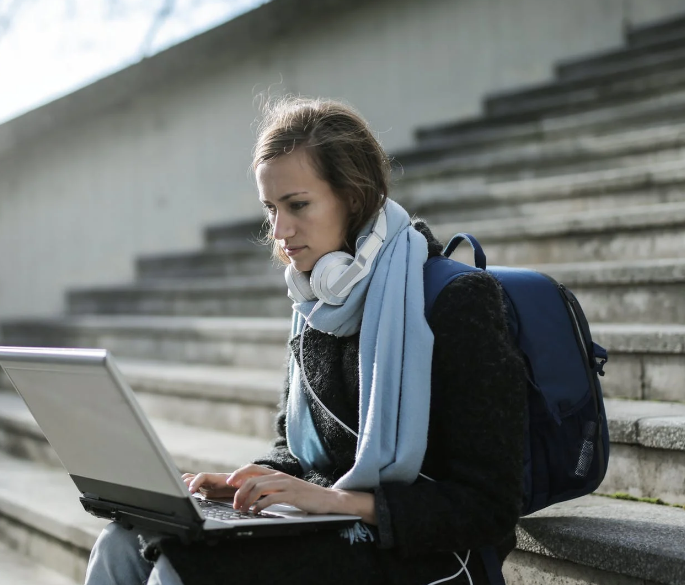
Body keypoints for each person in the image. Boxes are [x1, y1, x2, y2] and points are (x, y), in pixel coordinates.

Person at [85, 97, 528, 585]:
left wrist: (341, 502)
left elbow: (490, 506)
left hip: (427, 554)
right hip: (332, 527)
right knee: (122, 542)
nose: (280, 231)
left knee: (184, 567)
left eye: (298, 205)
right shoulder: (317, 301)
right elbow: (294, 450)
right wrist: (240, 483)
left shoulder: (456, 300)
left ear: (354, 198)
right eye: (270, 209)